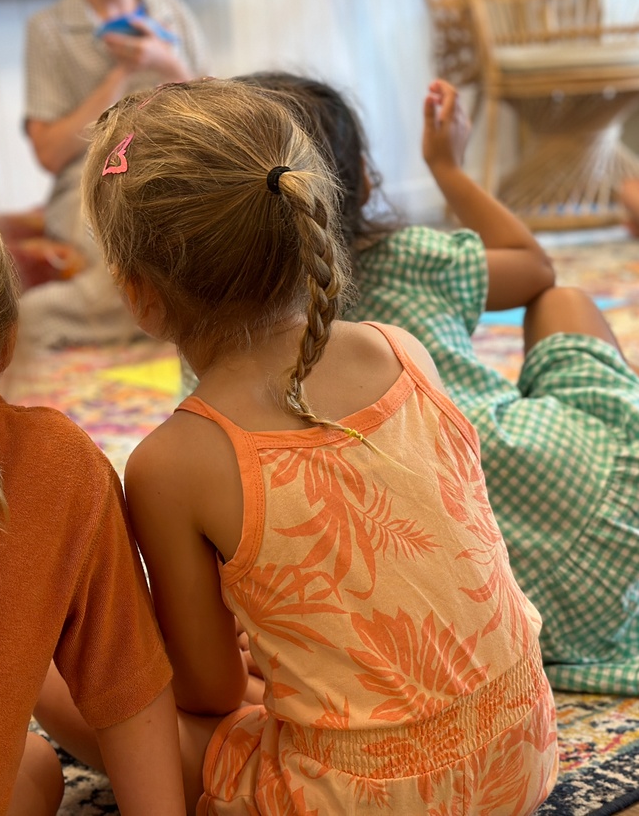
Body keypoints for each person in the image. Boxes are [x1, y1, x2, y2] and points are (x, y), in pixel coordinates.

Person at [78, 78, 558, 814]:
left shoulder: (171, 462)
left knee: (91, 690)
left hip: (362, 798)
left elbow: (211, 690)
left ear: (139, 293)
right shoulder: (403, 351)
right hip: (521, 753)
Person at [239, 71, 639, 697]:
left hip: (470, 603)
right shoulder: (410, 257)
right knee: (565, 301)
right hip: (597, 518)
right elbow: (537, 269)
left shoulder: (230, 348)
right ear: (364, 180)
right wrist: (446, 167)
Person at [0, 159, 185, 816]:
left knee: (30, 762)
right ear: (7, 338)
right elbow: (131, 705)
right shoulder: (54, 465)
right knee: (30, 763)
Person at [19, 0, 207, 347]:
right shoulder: (48, 30)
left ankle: (161, 324)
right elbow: (49, 152)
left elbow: (218, 115)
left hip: (173, 165)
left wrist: (166, 64)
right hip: (90, 180)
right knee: (129, 277)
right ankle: (12, 324)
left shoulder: (171, 12)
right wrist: (118, 76)